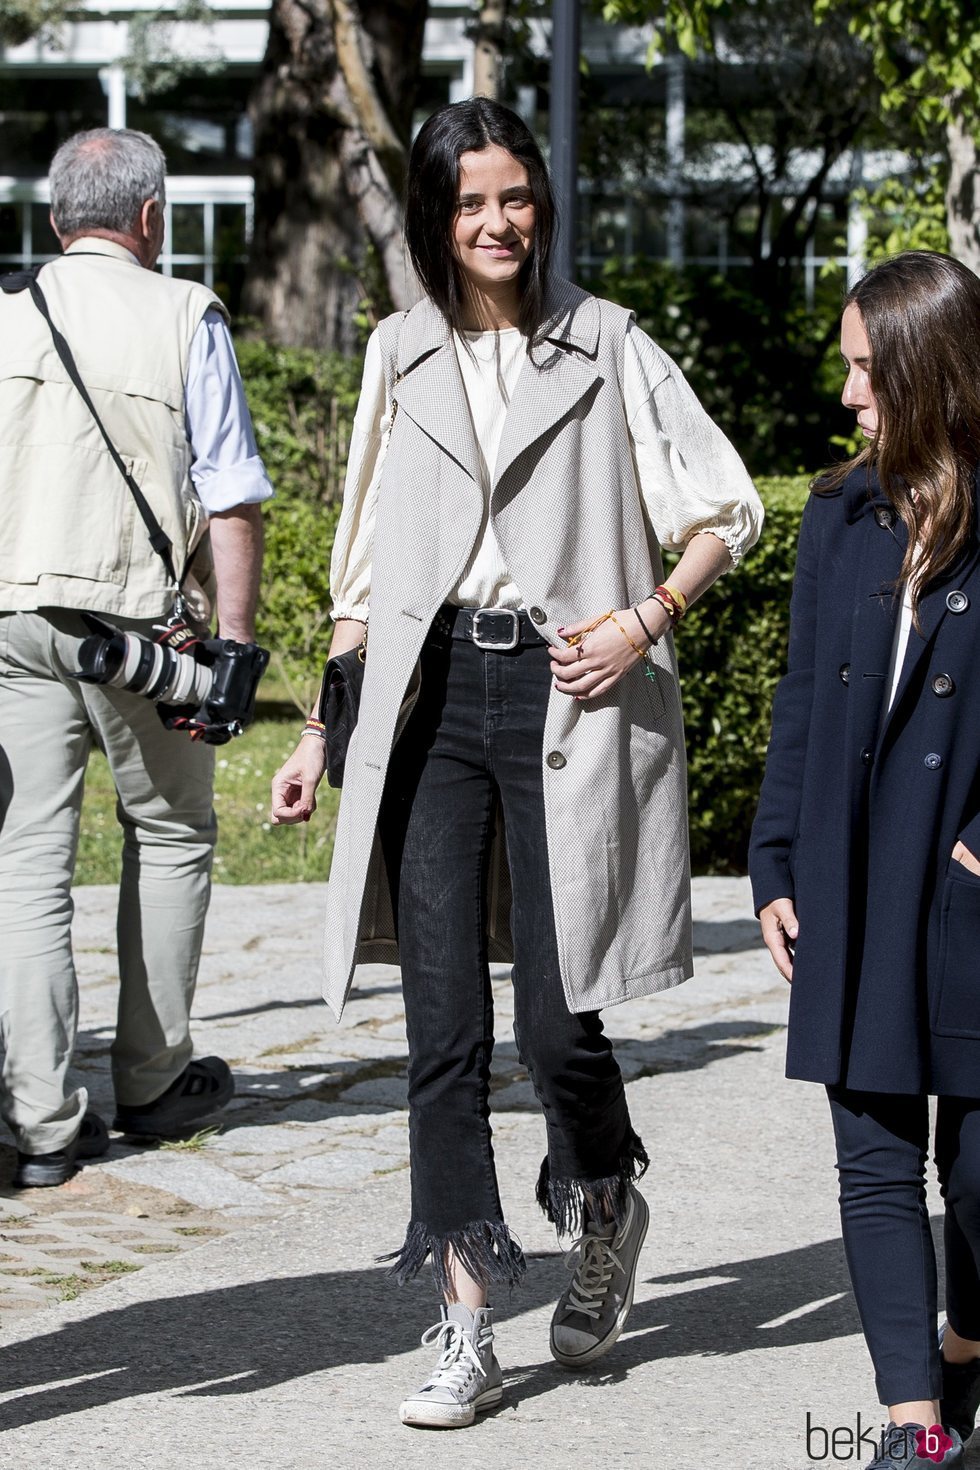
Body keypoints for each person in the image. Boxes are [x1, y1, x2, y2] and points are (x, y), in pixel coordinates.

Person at [271, 97, 762, 1429]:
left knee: (558, 1024)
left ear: (539, 202)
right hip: (430, 702)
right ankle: (468, 1313)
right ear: (436, 216)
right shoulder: (398, 352)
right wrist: (327, 723)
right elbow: (363, 569)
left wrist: (643, 619)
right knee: (441, 1035)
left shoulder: (603, 344)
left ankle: (605, 1203)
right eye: (470, 201)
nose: (498, 223)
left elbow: (729, 504)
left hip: (565, 694)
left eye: (516, 196)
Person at [0, 128, 271, 1189]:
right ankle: (154, 1081)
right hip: (135, 628)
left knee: (25, 861)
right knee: (169, 831)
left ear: (58, 218)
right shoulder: (182, 314)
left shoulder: (6, 314)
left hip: (10, 619)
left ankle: (41, 1122)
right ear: (150, 218)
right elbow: (231, 490)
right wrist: (236, 644)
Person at [750, 250, 980, 1470]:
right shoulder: (839, 512)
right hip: (847, 874)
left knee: (979, 1182)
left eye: (863, 369)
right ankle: (912, 1426)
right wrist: (775, 859)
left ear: (927, 372)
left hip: (964, 894)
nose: (847, 396)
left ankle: (960, 1338)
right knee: (874, 1158)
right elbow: (799, 701)